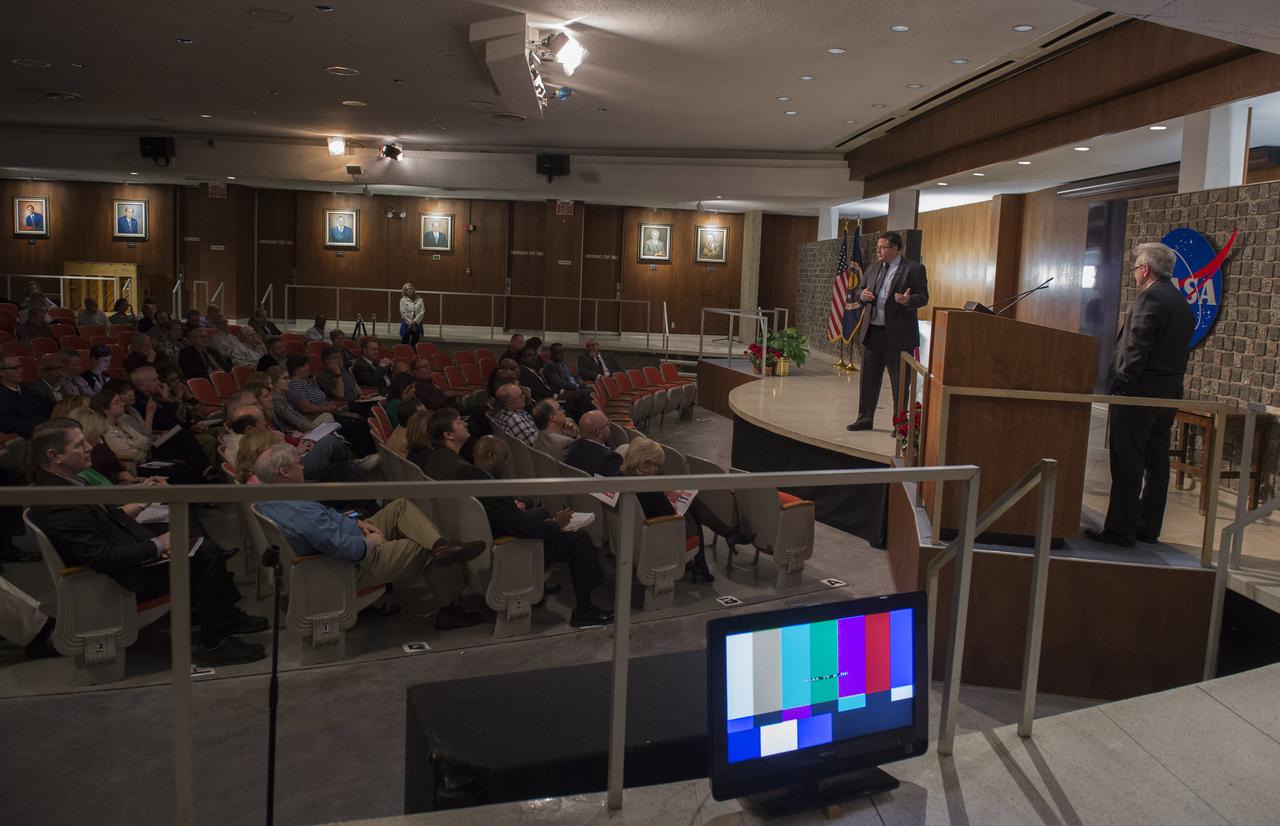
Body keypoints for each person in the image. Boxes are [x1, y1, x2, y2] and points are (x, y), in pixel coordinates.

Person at [27, 419, 267, 665]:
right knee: (207, 552)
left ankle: (224, 615)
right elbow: (101, 557)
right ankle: (214, 643)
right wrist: (157, 546)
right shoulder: (58, 501)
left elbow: (113, 521)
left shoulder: (68, 482)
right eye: (79, 445)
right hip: (116, 582)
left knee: (194, 539)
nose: (89, 447)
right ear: (54, 456)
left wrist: (154, 543)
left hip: (127, 561)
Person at [255, 443, 487, 630]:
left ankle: (441, 545)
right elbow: (348, 550)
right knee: (420, 546)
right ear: (284, 472)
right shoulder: (299, 511)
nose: (303, 468)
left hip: (348, 537)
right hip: (350, 565)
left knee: (400, 507)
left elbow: (326, 519)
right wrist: (372, 541)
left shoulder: (270, 499)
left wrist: (356, 522)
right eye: (299, 464)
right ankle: (450, 610)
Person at [1086, 242, 1195, 547]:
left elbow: (1137, 346)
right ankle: (1147, 527)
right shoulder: (1180, 302)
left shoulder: (1150, 298)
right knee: (1157, 462)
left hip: (1139, 393)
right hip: (1169, 394)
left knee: (1128, 460)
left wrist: (1122, 382)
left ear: (1145, 269)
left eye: (1135, 267)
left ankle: (1120, 530)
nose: (1135, 272)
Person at [463, 435, 613, 628]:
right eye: (504, 458)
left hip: (504, 535)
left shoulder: (470, 475)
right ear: (491, 456)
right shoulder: (492, 488)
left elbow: (510, 518)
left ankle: (542, 583)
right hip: (513, 548)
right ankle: (585, 610)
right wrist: (556, 525)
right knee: (578, 539)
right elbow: (525, 528)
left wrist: (543, 517)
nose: (508, 463)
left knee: (543, 512)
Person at [848, 231, 929, 432]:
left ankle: (900, 424)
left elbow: (924, 297)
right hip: (873, 332)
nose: (878, 251)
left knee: (900, 382)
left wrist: (908, 300)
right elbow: (859, 290)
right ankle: (865, 418)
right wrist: (862, 295)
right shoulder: (873, 267)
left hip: (899, 336)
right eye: (878, 247)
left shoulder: (914, 269)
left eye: (883, 247)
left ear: (896, 249)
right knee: (868, 379)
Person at [410, 407, 471, 480]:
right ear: (449, 435)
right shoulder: (460, 467)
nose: (466, 423)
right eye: (459, 422)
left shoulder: (434, 457)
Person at [0, 354, 53, 437]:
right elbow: (11, 425)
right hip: (26, 440)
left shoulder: (30, 391)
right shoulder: (2, 398)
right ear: (2, 372)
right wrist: (45, 426)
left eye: (20, 366)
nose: (21, 370)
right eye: (15, 368)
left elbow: (50, 407)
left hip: (46, 431)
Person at [565, 410, 623, 477]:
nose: (609, 427)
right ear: (599, 432)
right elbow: (617, 485)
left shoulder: (573, 446)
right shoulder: (610, 458)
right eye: (607, 424)